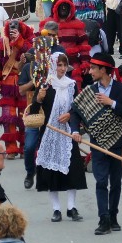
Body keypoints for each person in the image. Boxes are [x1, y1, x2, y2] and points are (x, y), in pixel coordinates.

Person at [70, 53, 122, 235]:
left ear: (103, 70)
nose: (90, 71)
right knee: (101, 181)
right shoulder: (89, 90)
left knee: (116, 182)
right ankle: (103, 219)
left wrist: (111, 103)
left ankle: (113, 215)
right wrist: (74, 131)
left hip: (118, 143)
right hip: (97, 144)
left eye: (93, 68)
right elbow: (75, 112)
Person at [34, 53, 87, 222]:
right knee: (51, 172)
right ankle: (56, 209)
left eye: (65, 65)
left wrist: (69, 115)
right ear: (52, 65)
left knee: (73, 169)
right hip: (49, 133)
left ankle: (71, 207)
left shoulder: (71, 85)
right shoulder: (45, 85)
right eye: (59, 65)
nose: (63, 69)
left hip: (68, 133)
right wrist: (38, 98)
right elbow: (34, 111)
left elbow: (78, 108)